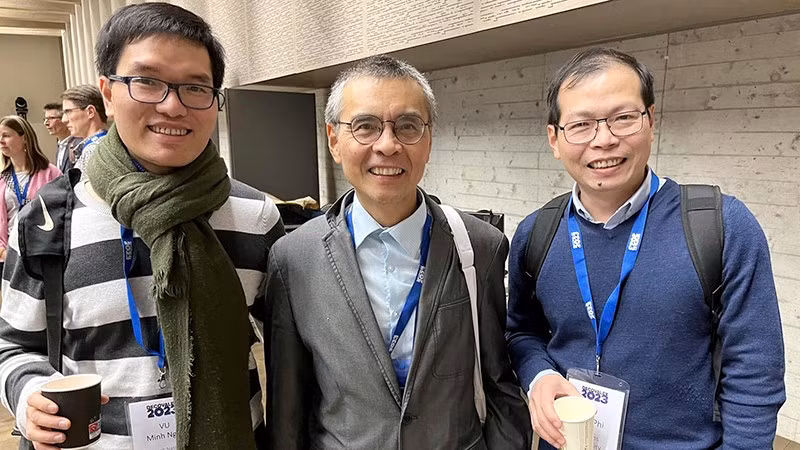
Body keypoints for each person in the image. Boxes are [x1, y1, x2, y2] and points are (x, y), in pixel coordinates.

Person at [0, 3, 283, 449]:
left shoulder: (255, 217)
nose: (172, 106)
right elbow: (13, 345)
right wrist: (30, 394)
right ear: (107, 93)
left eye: (195, 87)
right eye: (146, 82)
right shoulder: (46, 222)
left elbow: (293, 349)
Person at [505, 48, 785, 449]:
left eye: (623, 118)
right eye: (581, 124)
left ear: (650, 120)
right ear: (555, 139)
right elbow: (522, 332)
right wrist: (540, 375)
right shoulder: (536, 233)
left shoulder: (720, 225)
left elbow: (755, 370)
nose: (603, 140)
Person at [266, 55, 531, 449]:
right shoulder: (293, 258)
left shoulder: (480, 246)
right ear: (334, 140)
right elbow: (289, 406)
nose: (387, 145)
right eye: (365, 126)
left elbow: (498, 381)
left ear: (428, 139)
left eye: (407, 126)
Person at [0, 115, 61, 262]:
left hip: (44, 255)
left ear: (24, 138)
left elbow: (63, 212)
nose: (1, 140)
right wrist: (3, 253)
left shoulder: (51, 173)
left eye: (6, 135)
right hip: (10, 257)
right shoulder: (2, 179)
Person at [60, 84, 108, 171]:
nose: (64, 120)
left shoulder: (94, 150)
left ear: (90, 112)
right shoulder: (101, 145)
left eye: (68, 112)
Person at [42, 103, 82, 173]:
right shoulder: (60, 145)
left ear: (64, 119)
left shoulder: (79, 144)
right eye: (45, 119)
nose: (46, 123)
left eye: (51, 118)